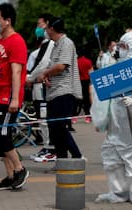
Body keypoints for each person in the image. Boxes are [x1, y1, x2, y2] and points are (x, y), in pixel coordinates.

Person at [91, 31, 132, 204]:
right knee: (112, 155)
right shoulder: (116, 69)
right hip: (116, 122)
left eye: (124, 46)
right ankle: (118, 191)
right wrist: (101, 117)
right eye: (119, 45)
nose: (120, 49)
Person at [0, 2, 29, 190]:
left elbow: (16, 72)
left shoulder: (16, 41)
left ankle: (20, 169)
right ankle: (10, 176)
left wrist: (14, 99)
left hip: (7, 98)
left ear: (8, 21)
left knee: (2, 135)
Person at [37, 16, 83, 159]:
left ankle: (77, 156)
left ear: (52, 29)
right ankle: (62, 160)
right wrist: (47, 76)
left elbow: (61, 66)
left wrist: (45, 73)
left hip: (64, 91)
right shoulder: (56, 45)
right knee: (54, 129)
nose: (45, 31)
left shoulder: (66, 43)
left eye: (46, 28)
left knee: (59, 127)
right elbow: (54, 68)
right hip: (53, 92)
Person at [26, 13, 57, 162]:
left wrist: (29, 78)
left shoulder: (50, 44)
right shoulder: (45, 44)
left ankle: (51, 148)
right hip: (40, 87)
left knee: (45, 119)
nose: (38, 28)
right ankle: (48, 147)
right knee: (42, 119)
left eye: (40, 25)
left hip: (46, 86)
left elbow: (43, 64)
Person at [77, 46, 94, 123]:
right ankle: (88, 116)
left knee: (78, 99)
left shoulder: (76, 62)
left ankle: (74, 117)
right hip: (86, 82)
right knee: (87, 99)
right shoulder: (88, 61)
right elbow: (91, 73)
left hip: (78, 81)